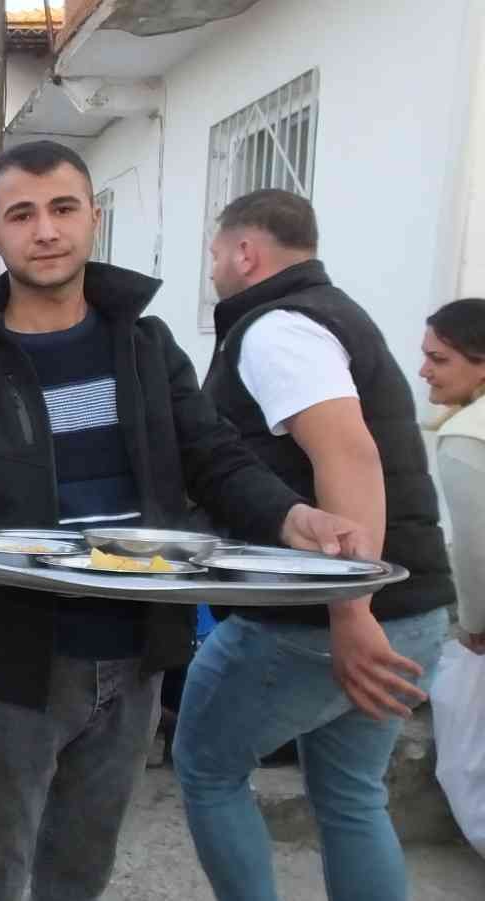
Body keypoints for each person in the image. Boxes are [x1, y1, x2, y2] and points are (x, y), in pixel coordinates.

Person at [0, 140, 366, 901]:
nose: (46, 229)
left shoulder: (143, 345)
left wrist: (291, 515)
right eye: (22, 214)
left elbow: (217, 457)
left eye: (64, 208)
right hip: (6, 666)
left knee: (80, 871)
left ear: (93, 218)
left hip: (134, 657)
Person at [174, 190, 456, 901]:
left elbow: (350, 458)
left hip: (325, 622)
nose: (212, 271)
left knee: (206, 765)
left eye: (214, 254)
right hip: (413, 609)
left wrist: (350, 611)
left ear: (246, 253)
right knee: (352, 796)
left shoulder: (278, 329)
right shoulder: (336, 314)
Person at [423, 298, 485, 654]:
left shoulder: (467, 434)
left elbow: (476, 546)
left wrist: (473, 622)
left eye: (439, 359)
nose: (423, 371)